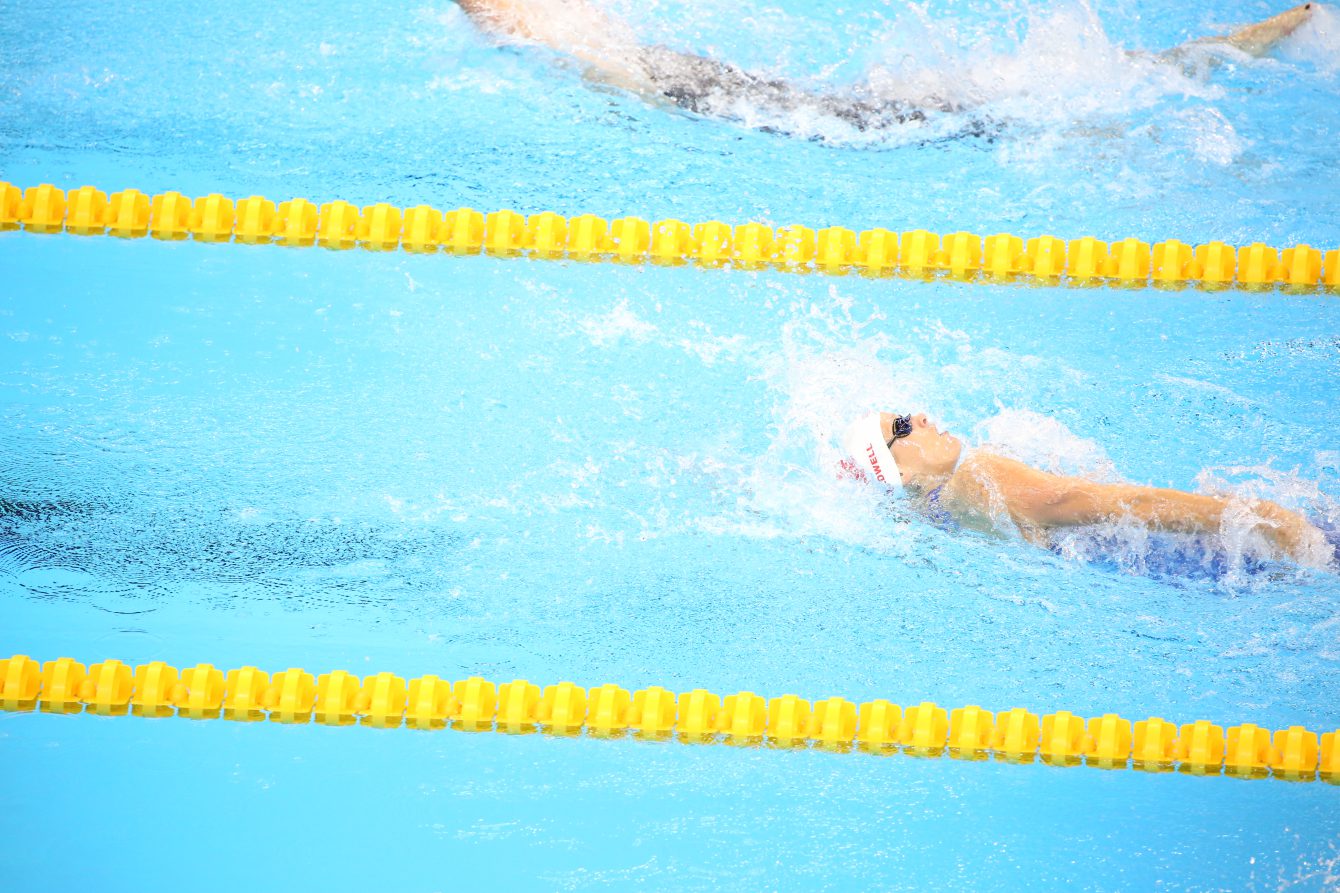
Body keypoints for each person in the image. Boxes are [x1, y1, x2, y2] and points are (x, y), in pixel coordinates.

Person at [455, 1, 1318, 133]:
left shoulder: (585, 52)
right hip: (797, 108)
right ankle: (1196, 58)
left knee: (990, 104)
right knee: (992, 98)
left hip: (813, 117)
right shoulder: (591, 48)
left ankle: (1198, 60)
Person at [840, 411, 1335, 569]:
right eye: (903, 425)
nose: (922, 417)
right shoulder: (975, 477)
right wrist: (1264, 517)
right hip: (1219, 548)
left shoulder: (931, 515)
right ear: (898, 472)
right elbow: (1102, 503)